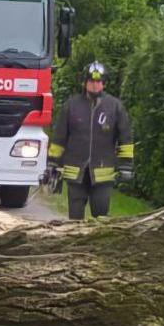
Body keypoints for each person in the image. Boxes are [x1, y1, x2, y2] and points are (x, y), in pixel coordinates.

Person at [47, 61, 134, 220]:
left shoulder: (115, 107)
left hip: (103, 174)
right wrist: (52, 163)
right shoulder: (71, 106)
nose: (95, 85)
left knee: (100, 217)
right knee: (75, 219)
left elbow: (125, 138)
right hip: (75, 172)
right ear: (85, 82)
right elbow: (59, 137)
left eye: (98, 81)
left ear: (104, 83)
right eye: (91, 81)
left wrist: (126, 165)